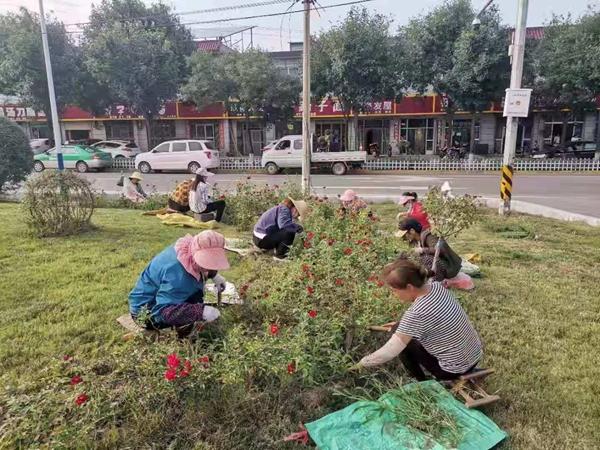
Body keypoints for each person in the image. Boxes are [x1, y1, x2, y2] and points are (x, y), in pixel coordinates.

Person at [351, 259, 482, 380]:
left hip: (454, 369)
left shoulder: (417, 313)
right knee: (399, 328)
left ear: (409, 287)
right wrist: (401, 325)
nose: (393, 295)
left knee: (402, 343)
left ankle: (420, 381)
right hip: (474, 354)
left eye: (394, 291)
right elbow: (433, 319)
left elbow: (389, 351)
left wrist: (361, 364)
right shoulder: (437, 287)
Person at [128, 230, 229, 338]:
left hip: (155, 296)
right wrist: (200, 312)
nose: (210, 267)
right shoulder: (177, 274)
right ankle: (184, 337)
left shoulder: (188, 248)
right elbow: (164, 311)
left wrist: (214, 275)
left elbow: (204, 264)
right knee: (193, 305)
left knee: (196, 295)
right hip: (146, 312)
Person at [396, 218, 462, 282]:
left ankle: (436, 281)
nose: (404, 238)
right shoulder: (414, 241)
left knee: (425, 258)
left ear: (412, 231)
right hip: (439, 265)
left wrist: (421, 250)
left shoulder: (429, 235)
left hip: (450, 267)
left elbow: (439, 250)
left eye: (405, 235)